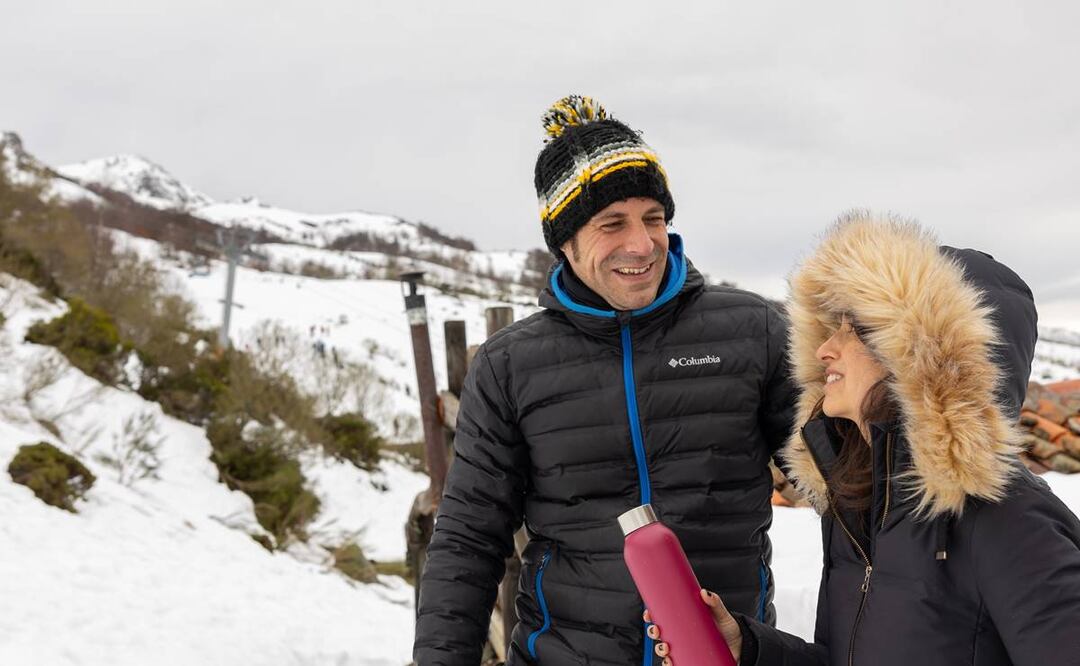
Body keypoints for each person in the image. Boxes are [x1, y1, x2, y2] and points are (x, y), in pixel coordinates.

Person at [413, 95, 798, 665]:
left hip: (722, 654)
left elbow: (843, 485)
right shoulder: (510, 366)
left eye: (654, 219)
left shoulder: (753, 331)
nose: (640, 245)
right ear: (564, 242)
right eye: (611, 224)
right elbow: (469, 537)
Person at [648, 213, 1080, 665]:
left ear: (922, 355)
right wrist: (750, 649)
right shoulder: (858, 504)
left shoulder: (1008, 518)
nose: (824, 349)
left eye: (854, 330)